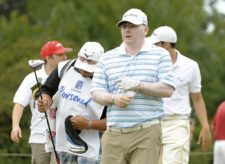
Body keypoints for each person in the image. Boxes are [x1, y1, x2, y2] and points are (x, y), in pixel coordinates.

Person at [91, 8, 175, 164]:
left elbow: (168, 89)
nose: (127, 30)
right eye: (124, 26)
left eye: (133, 26)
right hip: (113, 134)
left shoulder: (160, 55)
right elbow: (96, 92)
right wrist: (113, 98)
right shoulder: (107, 58)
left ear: (145, 29)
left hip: (146, 132)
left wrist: (138, 85)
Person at [147, 25, 212, 164]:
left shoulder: (191, 66)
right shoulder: (149, 65)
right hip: (151, 124)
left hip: (177, 123)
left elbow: (197, 98)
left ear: (166, 44)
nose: (151, 48)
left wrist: (205, 126)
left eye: (155, 45)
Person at [37, 41, 106, 164]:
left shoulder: (106, 81)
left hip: (91, 149)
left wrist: (88, 124)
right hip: (64, 143)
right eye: (81, 65)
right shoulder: (64, 67)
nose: (84, 71)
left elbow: (111, 121)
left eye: (89, 68)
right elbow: (47, 90)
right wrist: (45, 102)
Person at [11, 40, 72, 164]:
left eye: (65, 54)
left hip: (62, 137)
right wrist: (15, 126)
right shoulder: (31, 78)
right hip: (39, 137)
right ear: (48, 57)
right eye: (60, 55)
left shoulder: (70, 76)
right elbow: (19, 103)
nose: (65, 57)